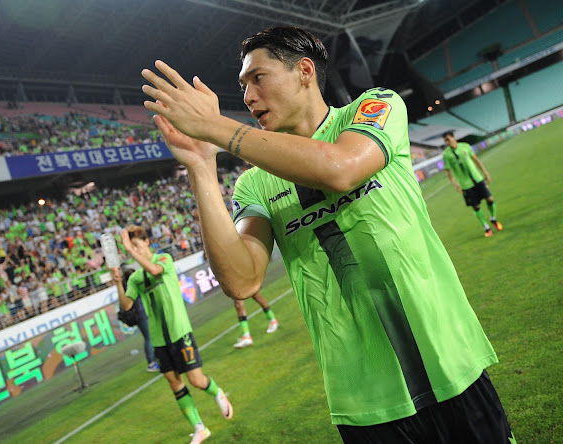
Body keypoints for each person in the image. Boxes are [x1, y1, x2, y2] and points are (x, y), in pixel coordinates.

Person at [141, 26, 514, 443]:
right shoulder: (254, 184)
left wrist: (217, 128)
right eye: (242, 86)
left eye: (257, 78)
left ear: (304, 71)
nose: (247, 97)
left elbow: (339, 168)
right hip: (366, 401)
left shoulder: (376, 107)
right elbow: (241, 280)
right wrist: (201, 167)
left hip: (452, 363)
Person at [110, 225, 233, 444]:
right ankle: (200, 428)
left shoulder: (164, 259)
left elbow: (154, 271)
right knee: (174, 383)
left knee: (195, 380)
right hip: (159, 339)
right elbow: (127, 305)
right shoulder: (135, 278)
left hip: (179, 331)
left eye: (136, 245)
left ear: (146, 241)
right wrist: (118, 283)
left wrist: (129, 251)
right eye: (131, 247)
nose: (134, 250)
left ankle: (217, 392)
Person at [443, 131, 503, 237]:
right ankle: (486, 228)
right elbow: (448, 172)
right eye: (445, 141)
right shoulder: (447, 155)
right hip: (465, 184)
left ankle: (493, 219)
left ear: (453, 138)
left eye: (448, 139)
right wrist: (456, 184)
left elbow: (476, 159)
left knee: (490, 199)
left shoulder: (465, 146)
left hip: (477, 178)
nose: (447, 142)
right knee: (476, 206)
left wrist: (485, 172)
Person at [117, 263, 159, 372]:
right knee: (149, 338)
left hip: (139, 315)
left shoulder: (126, 287)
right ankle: (151, 362)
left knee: (149, 337)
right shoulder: (133, 286)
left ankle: (154, 359)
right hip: (141, 314)